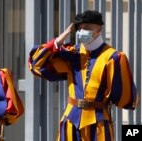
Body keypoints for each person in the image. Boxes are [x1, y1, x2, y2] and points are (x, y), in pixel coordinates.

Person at [28, 10, 139, 141]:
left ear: (99, 29)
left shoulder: (113, 57)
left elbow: (126, 99)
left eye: (87, 27)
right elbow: (36, 64)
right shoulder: (72, 53)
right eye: (79, 28)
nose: (82, 31)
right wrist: (59, 40)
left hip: (98, 123)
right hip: (70, 120)